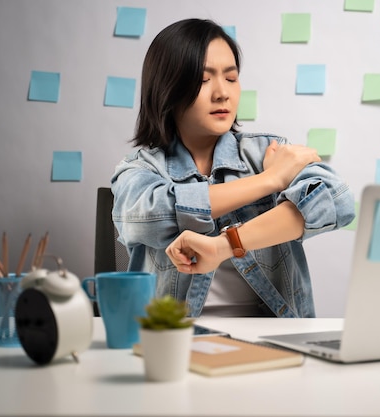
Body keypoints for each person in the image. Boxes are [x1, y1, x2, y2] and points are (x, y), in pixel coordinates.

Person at [111, 18, 355, 318]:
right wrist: (269, 180)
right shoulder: (141, 168)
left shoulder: (267, 151)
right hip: (176, 340)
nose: (222, 93)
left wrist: (227, 245)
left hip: (274, 337)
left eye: (231, 77)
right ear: (168, 88)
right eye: (203, 80)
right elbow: (148, 218)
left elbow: (335, 201)